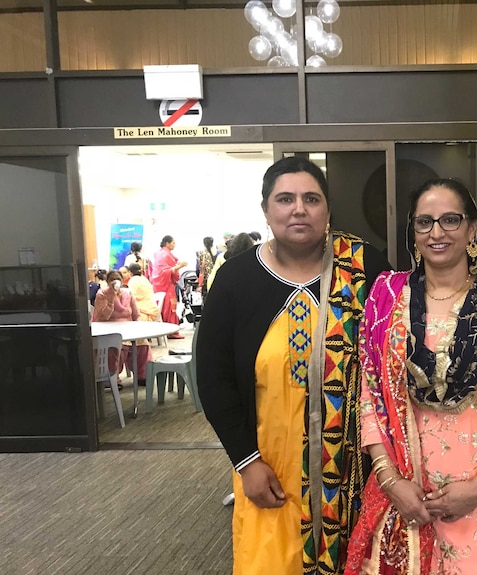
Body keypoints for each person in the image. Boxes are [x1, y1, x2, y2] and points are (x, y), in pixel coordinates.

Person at [196, 156, 390, 575]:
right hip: (269, 469)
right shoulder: (235, 280)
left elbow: (389, 365)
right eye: (285, 199)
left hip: (351, 470)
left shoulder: (365, 269)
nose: (298, 209)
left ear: (328, 210)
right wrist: (245, 461)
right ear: (266, 211)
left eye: (311, 198)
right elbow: (213, 380)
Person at [344, 179, 477, 575]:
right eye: (424, 222)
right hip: (406, 501)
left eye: (450, 220)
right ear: (413, 232)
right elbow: (371, 398)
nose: (437, 232)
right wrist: (390, 482)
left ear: (472, 228)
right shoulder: (387, 300)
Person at [91, 269, 151, 390]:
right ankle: (111, 377)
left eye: (117, 279)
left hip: (127, 327)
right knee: (116, 347)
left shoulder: (128, 293)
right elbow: (105, 315)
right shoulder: (101, 294)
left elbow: (136, 314)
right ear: (107, 282)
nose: (115, 281)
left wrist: (138, 326)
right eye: (112, 279)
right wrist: (112, 297)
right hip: (108, 328)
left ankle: (142, 375)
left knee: (143, 344)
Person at [151, 234, 187, 338]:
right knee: (170, 307)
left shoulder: (160, 253)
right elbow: (166, 271)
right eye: (173, 243)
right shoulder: (165, 255)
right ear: (167, 243)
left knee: (165, 307)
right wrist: (180, 266)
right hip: (165, 284)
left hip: (159, 283)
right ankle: (171, 331)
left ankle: (168, 330)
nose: (174, 245)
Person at [196, 236, 219, 300]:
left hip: (206, 281)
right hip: (217, 280)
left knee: (206, 300)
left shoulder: (201, 254)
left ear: (204, 244)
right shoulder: (219, 253)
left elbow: (198, 269)